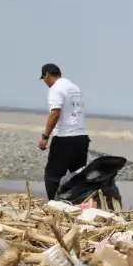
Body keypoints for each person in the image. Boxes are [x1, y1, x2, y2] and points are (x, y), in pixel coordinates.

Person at [38, 63, 90, 200]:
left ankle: (54, 205)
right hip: (82, 137)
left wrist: (45, 136)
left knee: (52, 176)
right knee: (77, 176)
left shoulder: (56, 89)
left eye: (44, 78)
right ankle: (78, 203)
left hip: (65, 137)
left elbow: (55, 113)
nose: (45, 82)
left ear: (47, 74)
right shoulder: (75, 88)